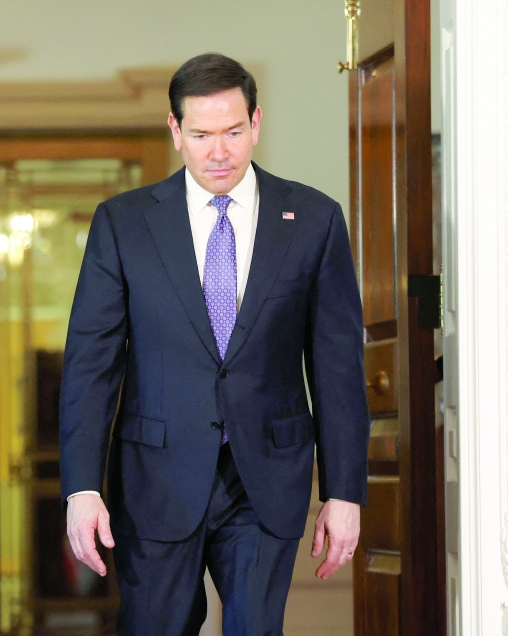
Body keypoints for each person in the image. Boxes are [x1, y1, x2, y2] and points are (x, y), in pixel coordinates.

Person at [60, 53, 370, 635]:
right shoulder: (124, 223)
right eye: (201, 135)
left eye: (232, 132)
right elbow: (90, 366)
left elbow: (337, 366)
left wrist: (344, 491)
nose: (219, 151)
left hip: (266, 478)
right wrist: (81, 487)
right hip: (154, 478)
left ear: (256, 123)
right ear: (175, 130)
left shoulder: (314, 219)